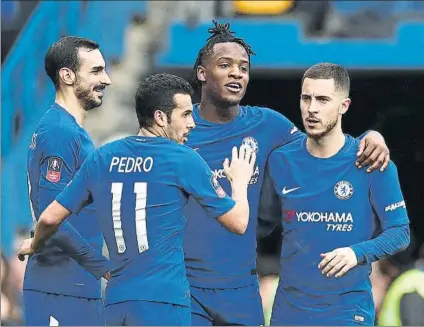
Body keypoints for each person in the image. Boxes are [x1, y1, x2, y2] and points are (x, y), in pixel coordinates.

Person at [183, 20, 392, 325]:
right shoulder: (179, 125)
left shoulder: (268, 124)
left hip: (240, 286)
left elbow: (323, 149)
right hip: (185, 282)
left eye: (243, 67)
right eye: (225, 65)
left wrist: (370, 137)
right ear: (202, 73)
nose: (236, 73)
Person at [19, 73, 257, 326]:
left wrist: (35, 244)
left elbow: (49, 218)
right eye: (185, 114)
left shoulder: (103, 157)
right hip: (164, 302)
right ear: (160, 117)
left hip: (117, 302)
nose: (192, 123)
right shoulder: (182, 158)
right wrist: (240, 182)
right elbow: (238, 222)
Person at [260, 62, 410, 326]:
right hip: (290, 313)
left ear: (344, 105)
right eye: (306, 98)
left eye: (323, 99)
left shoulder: (372, 161)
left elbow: (400, 233)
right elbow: (259, 227)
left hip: (347, 312)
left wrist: (356, 253)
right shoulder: (280, 161)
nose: (312, 108)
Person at [23, 36, 112, 326]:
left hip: (74, 286)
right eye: (96, 71)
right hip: (58, 289)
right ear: (67, 75)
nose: (107, 80)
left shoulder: (68, 130)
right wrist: (105, 268)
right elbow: (52, 215)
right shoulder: (60, 132)